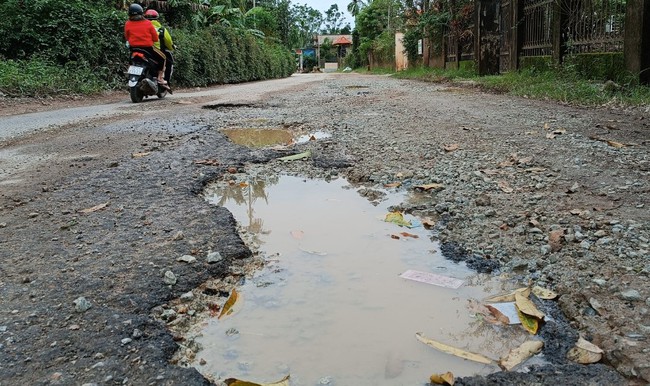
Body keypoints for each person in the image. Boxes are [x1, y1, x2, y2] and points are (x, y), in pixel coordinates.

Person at [124, 4, 167, 85]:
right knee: (163, 58)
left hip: (134, 49)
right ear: (141, 13)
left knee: (130, 61)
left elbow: (127, 37)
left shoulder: (127, 24)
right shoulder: (148, 23)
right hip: (147, 49)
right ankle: (160, 78)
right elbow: (155, 38)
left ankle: (129, 75)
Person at [144, 9, 175, 84]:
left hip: (141, 49)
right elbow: (168, 42)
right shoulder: (161, 29)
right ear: (157, 19)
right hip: (155, 51)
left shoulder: (141, 27)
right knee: (167, 60)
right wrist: (171, 47)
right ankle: (162, 79)